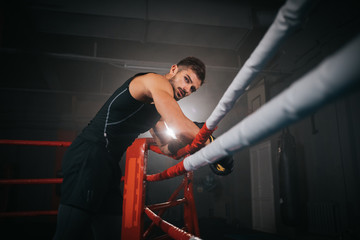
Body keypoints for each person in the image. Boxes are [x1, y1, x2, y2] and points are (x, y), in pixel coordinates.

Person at [53, 57, 207, 240]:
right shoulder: (156, 82)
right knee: (67, 234)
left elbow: (165, 147)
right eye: (187, 79)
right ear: (174, 69)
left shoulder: (158, 108)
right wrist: (209, 141)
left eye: (192, 89)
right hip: (89, 156)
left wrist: (186, 142)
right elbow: (178, 123)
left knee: (111, 231)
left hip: (107, 166)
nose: (186, 90)